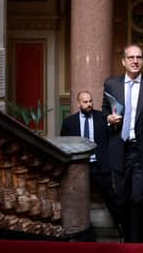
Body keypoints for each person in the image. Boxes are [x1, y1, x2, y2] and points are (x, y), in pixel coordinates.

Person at [102, 44, 143, 243]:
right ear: (123, 61)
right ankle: (128, 241)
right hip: (119, 149)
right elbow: (104, 110)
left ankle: (138, 244)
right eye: (131, 57)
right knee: (122, 199)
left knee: (139, 198)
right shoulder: (111, 84)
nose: (135, 61)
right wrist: (108, 118)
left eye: (139, 57)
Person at [60, 91, 120, 234]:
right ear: (78, 103)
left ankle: (121, 227)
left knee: (112, 198)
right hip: (79, 167)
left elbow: (112, 137)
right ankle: (74, 228)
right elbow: (64, 143)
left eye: (90, 101)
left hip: (100, 166)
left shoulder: (101, 118)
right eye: (85, 102)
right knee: (73, 197)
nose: (89, 104)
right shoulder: (69, 122)